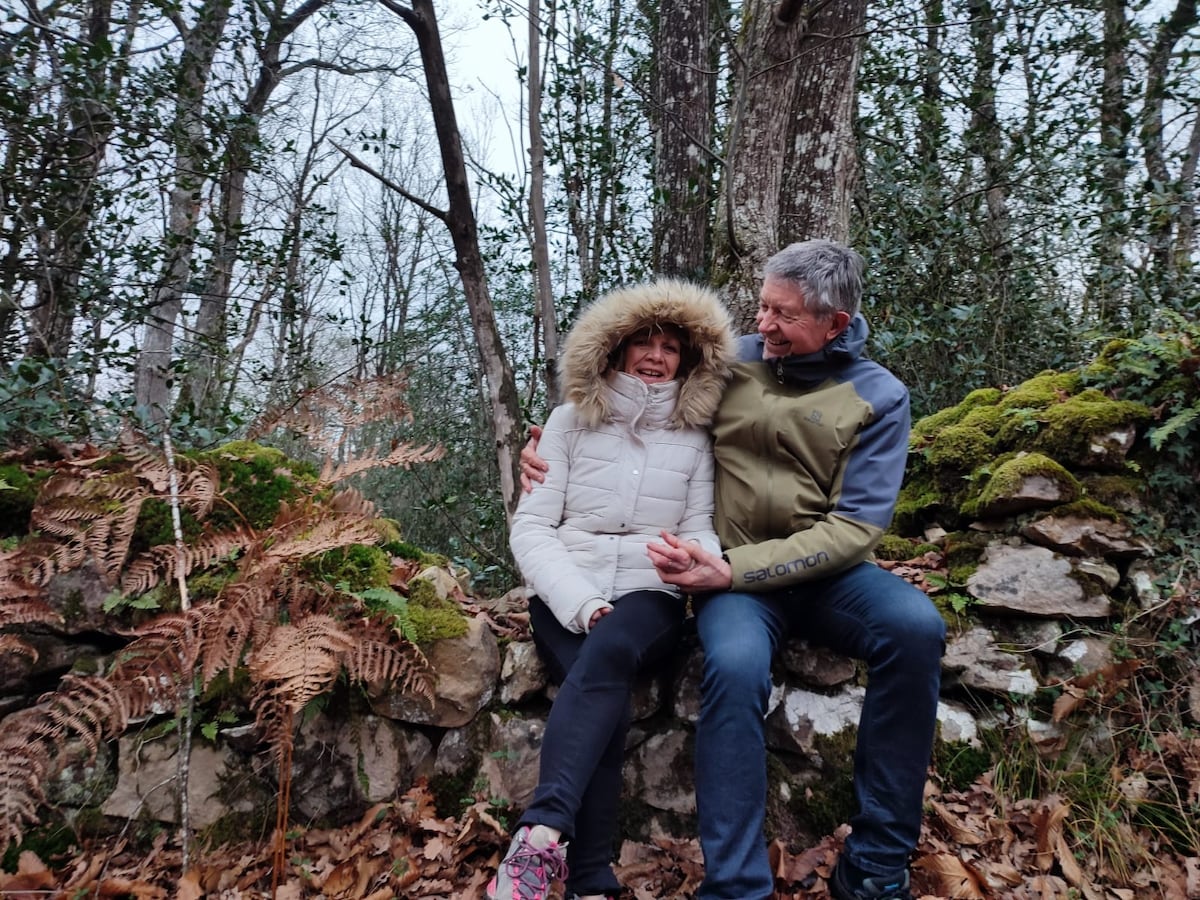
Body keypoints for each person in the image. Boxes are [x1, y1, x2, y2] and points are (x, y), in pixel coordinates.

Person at [523, 239, 946, 900]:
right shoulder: (728, 363)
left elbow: (857, 527)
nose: (764, 324)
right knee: (737, 663)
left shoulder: (880, 396)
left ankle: (876, 863)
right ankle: (736, 885)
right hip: (734, 582)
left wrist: (730, 570)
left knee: (918, 628)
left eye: (784, 314)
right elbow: (630, 407)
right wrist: (545, 447)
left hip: (822, 577)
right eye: (763, 306)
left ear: (835, 323)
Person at [489, 278, 735, 900]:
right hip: (565, 589)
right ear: (617, 348)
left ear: (687, 361)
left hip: (651, 590)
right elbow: (533, 528)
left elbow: (698, 524)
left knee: (612, 651)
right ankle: (591, 878)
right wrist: (580, 601)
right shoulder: (568, 422)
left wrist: (696, 558)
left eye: (671, 347)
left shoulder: (694, 437)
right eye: (644, 342)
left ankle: (541, 834)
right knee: (603, 693)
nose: (656, 356)